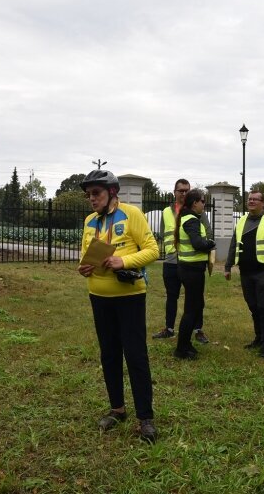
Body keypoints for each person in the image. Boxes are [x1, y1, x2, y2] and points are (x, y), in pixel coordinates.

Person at [77, 169, 160, 442]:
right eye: (89, 194)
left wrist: (123, 262)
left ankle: (145, 418)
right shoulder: (90, 221)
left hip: (130, 296)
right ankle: (117, 409)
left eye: (96, 193)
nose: (92, 198)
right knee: (109, 354)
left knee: (135, 355)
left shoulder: (131, 214)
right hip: (99, 296)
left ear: (112, 192)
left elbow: (152, 250)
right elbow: (84, 257)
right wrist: (84, 268)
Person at [153, 179, 212, 344]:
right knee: (172, 296)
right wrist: (172, 252)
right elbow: (164, 234)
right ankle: (169, 329)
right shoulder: (166, 212)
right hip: (172, 261)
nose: (184, 193)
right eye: (181, 190)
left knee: (196, 297)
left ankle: (198, 329)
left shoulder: (198, 212)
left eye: (187, 190)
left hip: (191, 262)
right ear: (175, 192)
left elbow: (207, 232)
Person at [224, 190, 264, 358]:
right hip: (246, 272)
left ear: (263, 203)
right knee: (253, 306)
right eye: (250, 199)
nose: (251, 201)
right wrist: (228, 265)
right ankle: (259, 338)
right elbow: (234, 244)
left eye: (255, 199)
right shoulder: (241, 221)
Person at [173, 189, 216, 359]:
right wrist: (210, 243)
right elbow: (198, 243)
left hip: (189, 269)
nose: (204, 204)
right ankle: (181, 349)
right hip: (192, 271)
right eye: (203, 201)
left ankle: (186, 344)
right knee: (191, 310)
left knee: (195, 307)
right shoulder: (191, 220)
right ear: (194, 203)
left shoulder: (188, 218)